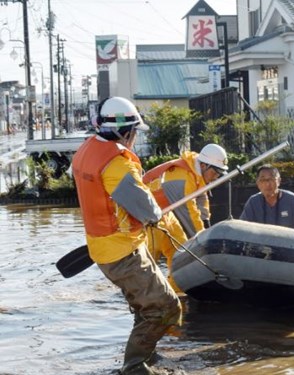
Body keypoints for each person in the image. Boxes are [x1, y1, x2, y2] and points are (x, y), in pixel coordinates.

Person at [71, 96, 181, 375]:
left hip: (104, 249)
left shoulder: (86, 151)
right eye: (133, 133)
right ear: (126, 132)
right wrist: (155, 212)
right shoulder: (117, 165)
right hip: (123, 252)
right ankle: (134, 366)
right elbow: (147, 210)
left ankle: (147, 356)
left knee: (145, 307)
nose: (133, 140)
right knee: (166, 307)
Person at [142, 143, 228, 278]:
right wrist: (204, 241)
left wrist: (206, 223)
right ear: (204, 166)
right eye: (215, 172)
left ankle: (177, 289)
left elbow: (201, 198)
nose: (216, 177)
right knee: (149, 257)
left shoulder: (196, 171)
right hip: (147, 218)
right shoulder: (182, 179)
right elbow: (189, 213)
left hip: (166, 215)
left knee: (181, 251)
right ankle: (139, 292)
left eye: (219, 174)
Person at [239, 164, 294, 231]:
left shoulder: (292, 199)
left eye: (271, 179)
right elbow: (242, 227)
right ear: (258, 183)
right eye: (263, 180)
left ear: (279, 181)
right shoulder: (253, 201)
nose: (267, 184)